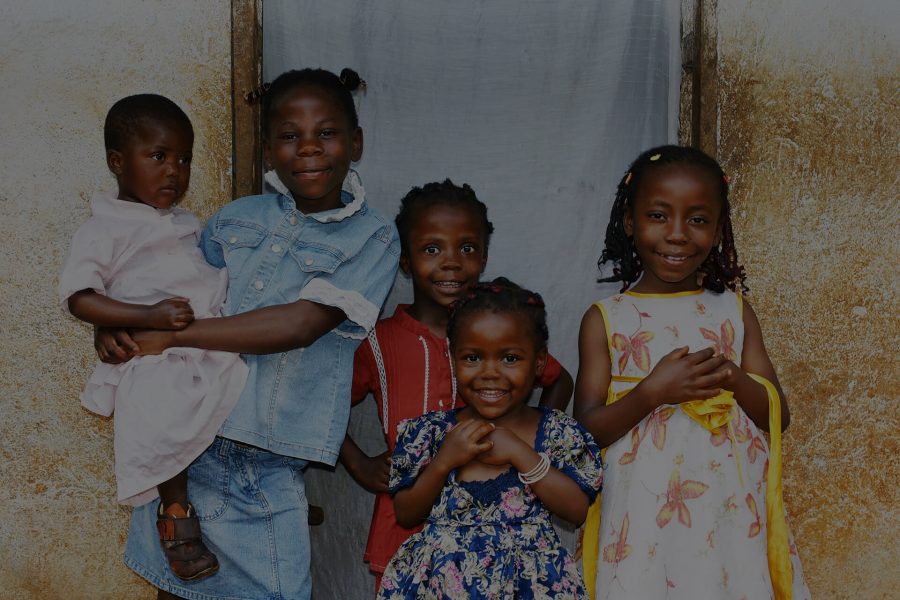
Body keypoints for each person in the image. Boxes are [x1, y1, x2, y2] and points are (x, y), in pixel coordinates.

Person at [97, 68, 400, 600]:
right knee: (179, 590)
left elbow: (302, 325)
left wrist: (172, 339)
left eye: (327, 133)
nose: (309, 148)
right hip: (187, 444)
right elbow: (166, 288)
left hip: (263, 456)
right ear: (267, 153)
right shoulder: (234, 219)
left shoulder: (372, 238)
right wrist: (114, 321)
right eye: (289, 135)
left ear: (356, 143)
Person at [574, 145, 810, 599]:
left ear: (718, 230)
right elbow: (584, 429)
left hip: (727, 506)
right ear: (630, 221)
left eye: (698, 220)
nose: (678, 234)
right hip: (643, 507)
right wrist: (651, 394)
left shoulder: (734, 311)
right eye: (658, 216)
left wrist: (732, 378)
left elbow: (777, 416)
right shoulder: (607, 319)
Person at [339, 180, 575, 592]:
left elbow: (559, 379)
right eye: (432, 249)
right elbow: (322, 404)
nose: (451, 263)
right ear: (405, 259)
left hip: (493, 527)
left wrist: (532, 444)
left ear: (484, 257)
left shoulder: (496, 333)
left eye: (467, 248)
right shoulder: (378, 342)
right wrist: (358, 462)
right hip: (407, 523)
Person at [58, 94, 248, 581]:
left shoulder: (183, 223)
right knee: (160, 411)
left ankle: (248, 493)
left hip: (205, 338)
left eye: (184, 159)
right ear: (117, 162)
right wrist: (147, 315)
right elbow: (80, 297)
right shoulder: (104, 228)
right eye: (159, 156)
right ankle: (176, 513)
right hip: (154, 353)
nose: (174, 171)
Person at [376, 278, 602, 599]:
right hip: (441, 588)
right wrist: (443, 462)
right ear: (452, 358)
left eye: (510, 358)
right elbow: (406, 513)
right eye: (472, 357)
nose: (490, 372)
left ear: (539, 362)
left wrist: (520, 453)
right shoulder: (431, 433)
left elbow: (576, 510)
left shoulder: (556, 432)